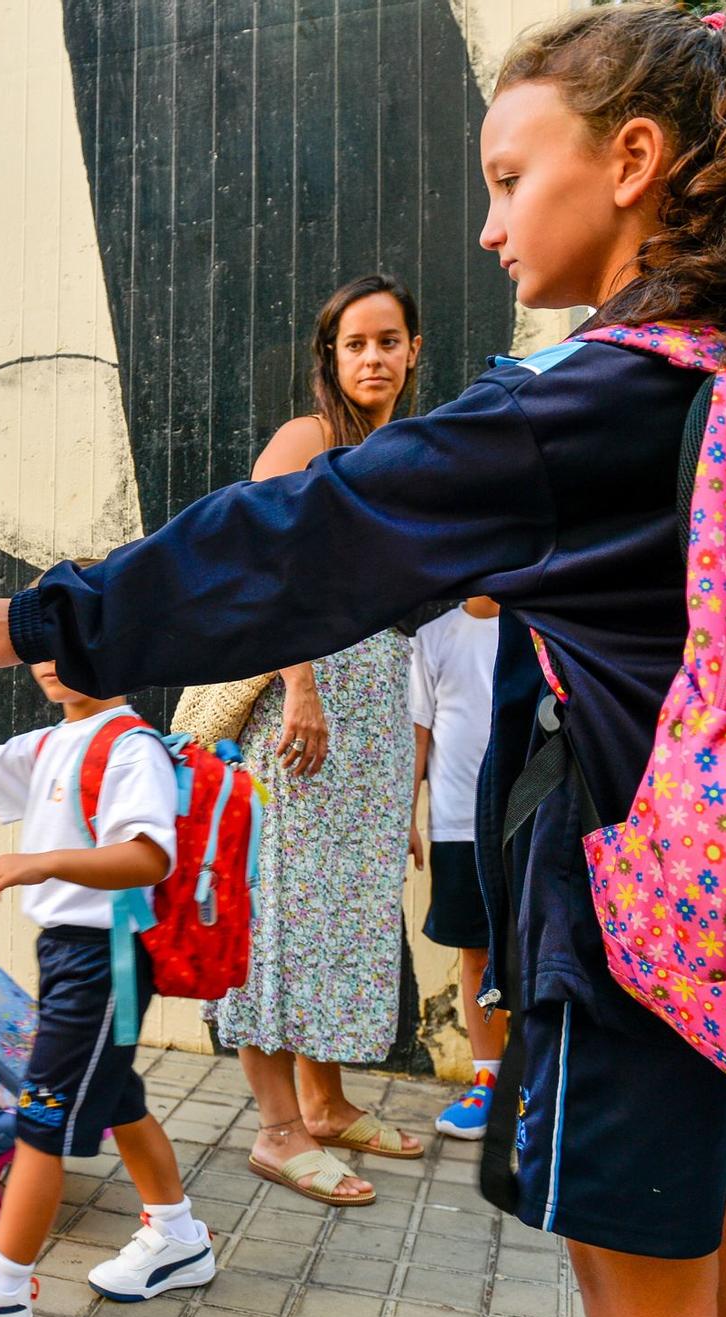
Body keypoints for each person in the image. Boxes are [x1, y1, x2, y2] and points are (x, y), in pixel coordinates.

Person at [0, 3, 726, 1317]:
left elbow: (306, 536)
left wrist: (57, 617)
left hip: (645, 929)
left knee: (643, 1298)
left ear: (631, 161)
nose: (494, 227)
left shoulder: (586, 404)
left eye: (512, 178)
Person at [0, 650, 211, 1317]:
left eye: (83, 638)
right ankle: (177, 1236)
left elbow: (150, 855)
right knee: (119, 1098)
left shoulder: (131, 748)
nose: (55, 660)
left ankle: (0, 1285)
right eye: (45, 641)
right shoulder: (59, 740)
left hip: (106, 956)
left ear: (128, 643)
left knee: (42, 1120)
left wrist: (41, 861)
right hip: (71, 950)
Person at [209, 274, 427, 1207]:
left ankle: (327, 1104)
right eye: (355, 344)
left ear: (413, 350)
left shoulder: (405, 449)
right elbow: (261, 562)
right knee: (283, 912)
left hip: (373, 706)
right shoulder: (310, 439)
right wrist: (298, 683)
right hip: (310, 703)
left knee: (343, 913)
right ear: (330, 358)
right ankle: (276, 1129)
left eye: (388, 341)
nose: (372, 357)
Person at [408, 595, 505, 1138]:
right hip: (456, 823)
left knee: (534, 951)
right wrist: (408, 816)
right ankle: (487, 1081)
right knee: (476, 952)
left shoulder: (533, 627)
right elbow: (420, 733)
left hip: (526, 822)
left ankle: (531, 1086)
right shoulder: (435, 636)